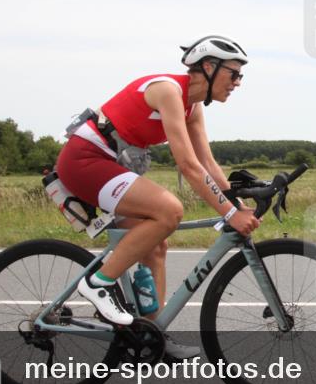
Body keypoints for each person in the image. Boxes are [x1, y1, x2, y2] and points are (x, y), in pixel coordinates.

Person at [54, 35, 260, 358]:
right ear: (209, 67)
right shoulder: (168, 91)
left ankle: (151, 334)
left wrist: (235, 204)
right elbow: (189, 166)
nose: (237, 83)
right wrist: (229, 215)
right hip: (84, 160)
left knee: (157, 243)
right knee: (169, 211)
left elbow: (207, 162)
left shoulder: (192, 108)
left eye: (240, 76)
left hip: (107, 164)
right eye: (233, 74)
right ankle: (98, 283)